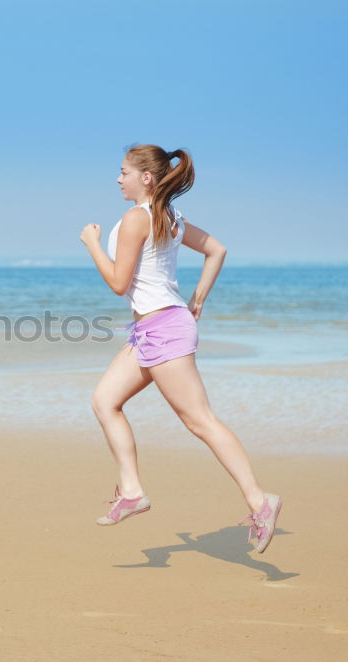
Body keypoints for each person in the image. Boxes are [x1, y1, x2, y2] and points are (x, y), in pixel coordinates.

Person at [78, 144, 282, 554]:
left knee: (200, 422)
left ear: (145, 178)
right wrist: (198, 298)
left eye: (123, 172)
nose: (118, 179)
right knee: (104, 401)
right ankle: (133, 491)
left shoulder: (138, 218)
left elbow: (120, 283)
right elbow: (216, 249)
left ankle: (261, 502)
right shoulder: (170, 217)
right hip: (153, 329)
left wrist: (92, 245)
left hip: (165, 330)